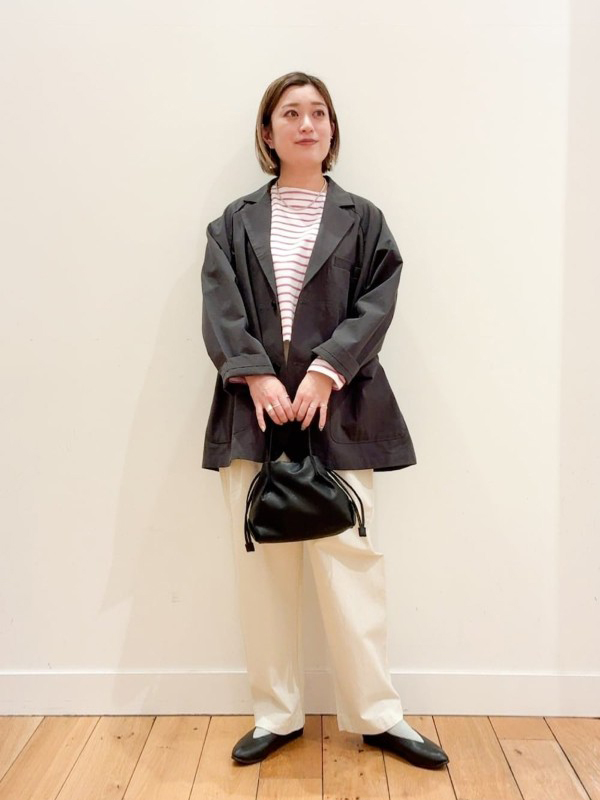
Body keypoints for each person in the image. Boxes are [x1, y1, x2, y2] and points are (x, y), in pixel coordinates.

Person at [200, 71, 449, 770]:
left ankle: (377, 715)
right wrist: (255, 375)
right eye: (290, 113)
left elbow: (377, 302)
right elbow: (220, 306)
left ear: (332, 129)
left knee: (352, 564)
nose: (306, 124)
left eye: (318, 113)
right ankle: (275, 714)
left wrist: (324, 371)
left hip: (340, 410)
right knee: (263, 569)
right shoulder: (232, 223)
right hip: (253, 416)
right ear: (268, 132)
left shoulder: (362, 219)